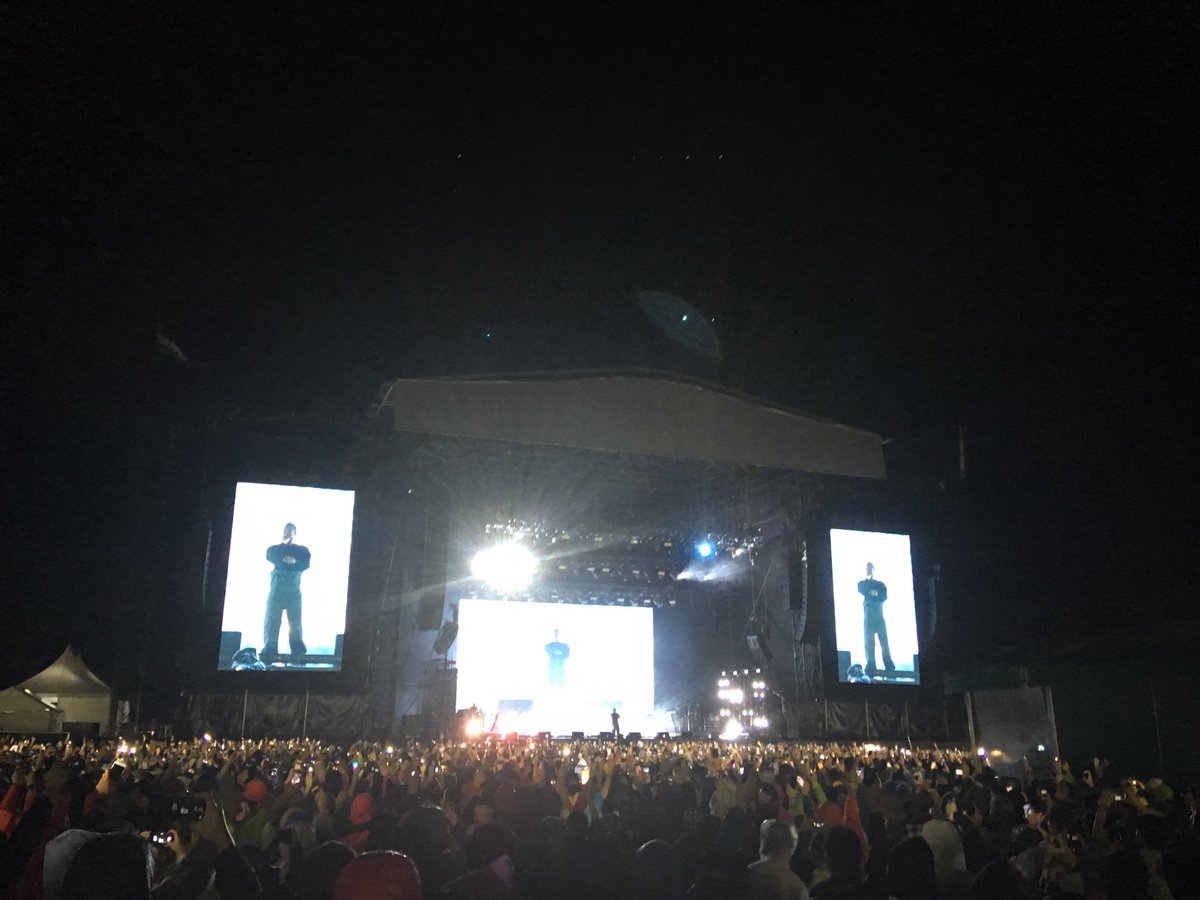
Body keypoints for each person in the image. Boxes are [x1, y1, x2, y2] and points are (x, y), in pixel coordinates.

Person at [263, 522, 311, 657]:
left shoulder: (302, 550)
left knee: (295, 623)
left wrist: (294, 561)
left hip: (293, 594)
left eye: (291, 531)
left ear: (295, 533)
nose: (288, 533)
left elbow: (306, 563)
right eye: (286, 530)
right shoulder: (275, 549)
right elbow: (270, 555)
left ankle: (298, 651)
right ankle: (270, 649)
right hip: (276, 593)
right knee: (272, 621)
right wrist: (283, 545)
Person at [858, 562, 894, 675]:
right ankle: (871, 665)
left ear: (874, 570)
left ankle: (889, 665)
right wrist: (868, 580)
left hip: (879, 618)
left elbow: (884, 596)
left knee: (884, 642)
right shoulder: (863, 583)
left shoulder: (880, 585)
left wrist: (876, 594)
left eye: (870, 569)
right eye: (867, 569)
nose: (869, 570)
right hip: (868, 618)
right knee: (869, 643)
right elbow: (860, 588)